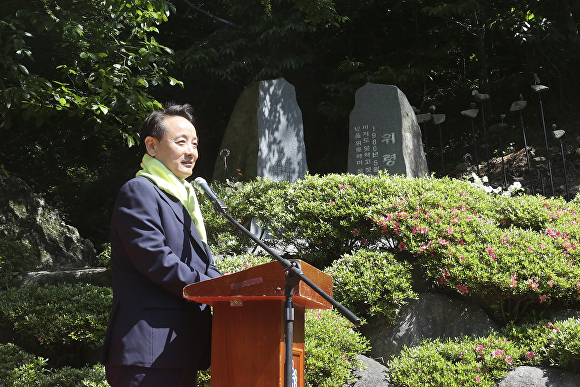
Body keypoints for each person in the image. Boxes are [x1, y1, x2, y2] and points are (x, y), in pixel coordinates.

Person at [100, 103, 222, 387]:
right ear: (152, 146)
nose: (191, 151)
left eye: (195, 143)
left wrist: (231, 289)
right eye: (181, 142)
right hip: (148, 349)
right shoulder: (139, 191)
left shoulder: (184, 200)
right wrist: (210, 289)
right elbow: (156, 260)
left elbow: (205, 266)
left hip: (182, 348)